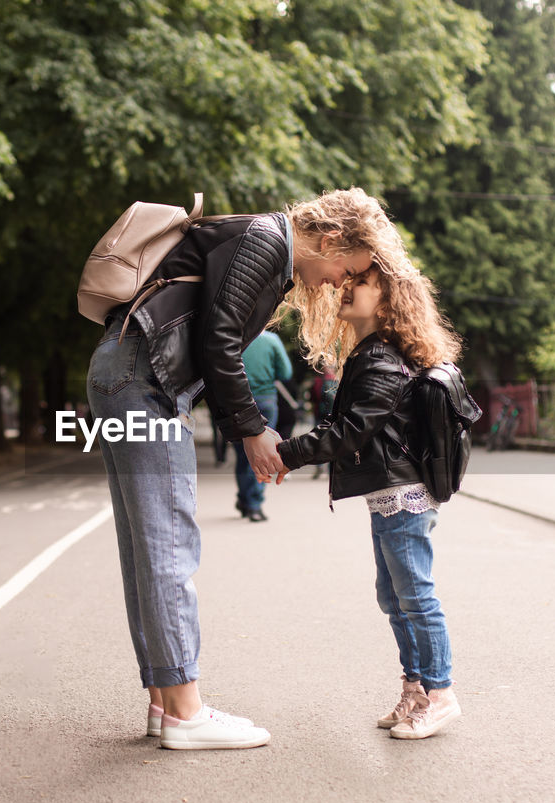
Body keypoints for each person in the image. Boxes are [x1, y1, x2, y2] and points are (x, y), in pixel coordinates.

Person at [87, 188, 404, 749]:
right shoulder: (266, 239)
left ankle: (165, 703)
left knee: (146, 550)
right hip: (143, 382)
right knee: (167, 544)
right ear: (330, 239)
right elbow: (220, 342)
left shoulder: (264, 248)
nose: (337, 282)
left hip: (125, 373)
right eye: (344, 268)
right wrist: (255, 430)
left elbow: (212, 337)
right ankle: (187, 713)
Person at [273, 258, 465, 740]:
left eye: (362, 283)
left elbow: (351, 430)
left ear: (388, 302)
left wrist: (286, 454)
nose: (347, 287)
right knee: (394, 597)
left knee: (415, 596)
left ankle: (440, 695)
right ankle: (416, 688)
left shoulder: (380, 358)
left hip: (403, 494)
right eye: (351, 279)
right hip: (389, 493)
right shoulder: (371, 352)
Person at [233, 330, 292, 522]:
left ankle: (244, 498)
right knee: (263, 451)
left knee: (243, 454)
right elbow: (286, 372)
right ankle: (254, 503)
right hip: (265, 400)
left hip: (237, 403)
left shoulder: (234, 337)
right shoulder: (271, 340)